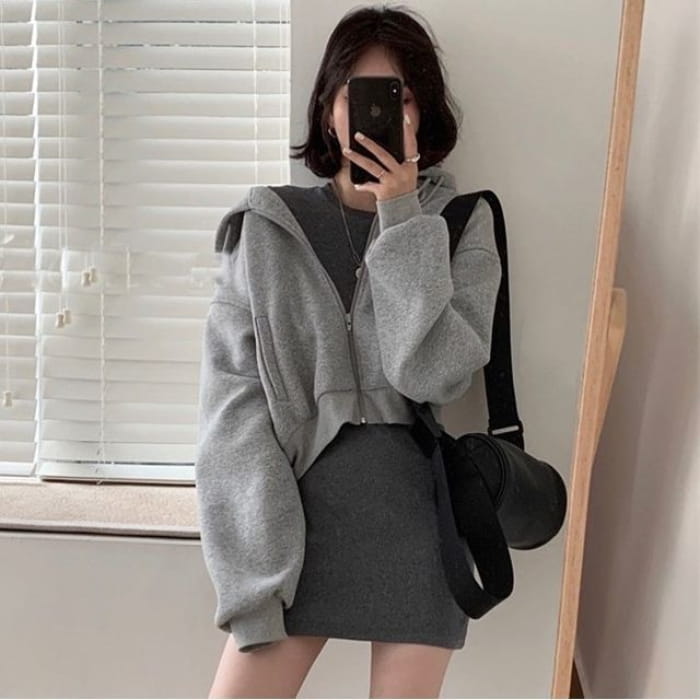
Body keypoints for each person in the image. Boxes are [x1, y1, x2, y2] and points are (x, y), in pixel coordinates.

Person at [195, 4, 502, 698]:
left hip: (419, 529)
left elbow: (433, 374)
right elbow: (231, 416)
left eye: (402, 96)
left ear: (424, 112)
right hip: (289, 530)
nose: (382, 114)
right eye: (357, 93)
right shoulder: (265, 228)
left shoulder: (462, 222)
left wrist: (402, 215)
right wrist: (256, 578)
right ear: (328, 108)